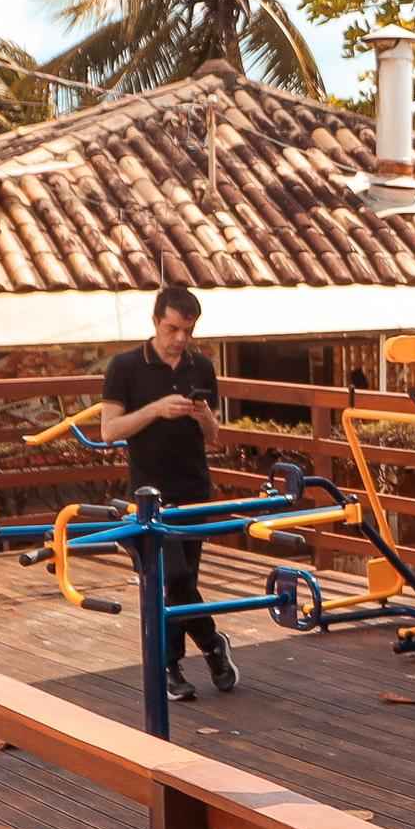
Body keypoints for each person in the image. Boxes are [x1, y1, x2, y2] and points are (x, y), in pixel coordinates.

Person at [95, 285, 243, 701]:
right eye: (172, 328)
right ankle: (211, 644)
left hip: (193, 485)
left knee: (183, 581)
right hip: (149, 492)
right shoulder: (125, 366)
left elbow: (214, 436)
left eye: (188, 331)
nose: (180, 338)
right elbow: (109, 430)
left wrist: (203, 416)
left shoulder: (201, 366)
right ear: (156, 321)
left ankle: (172, 664)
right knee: (172, 576)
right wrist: (156, 410)